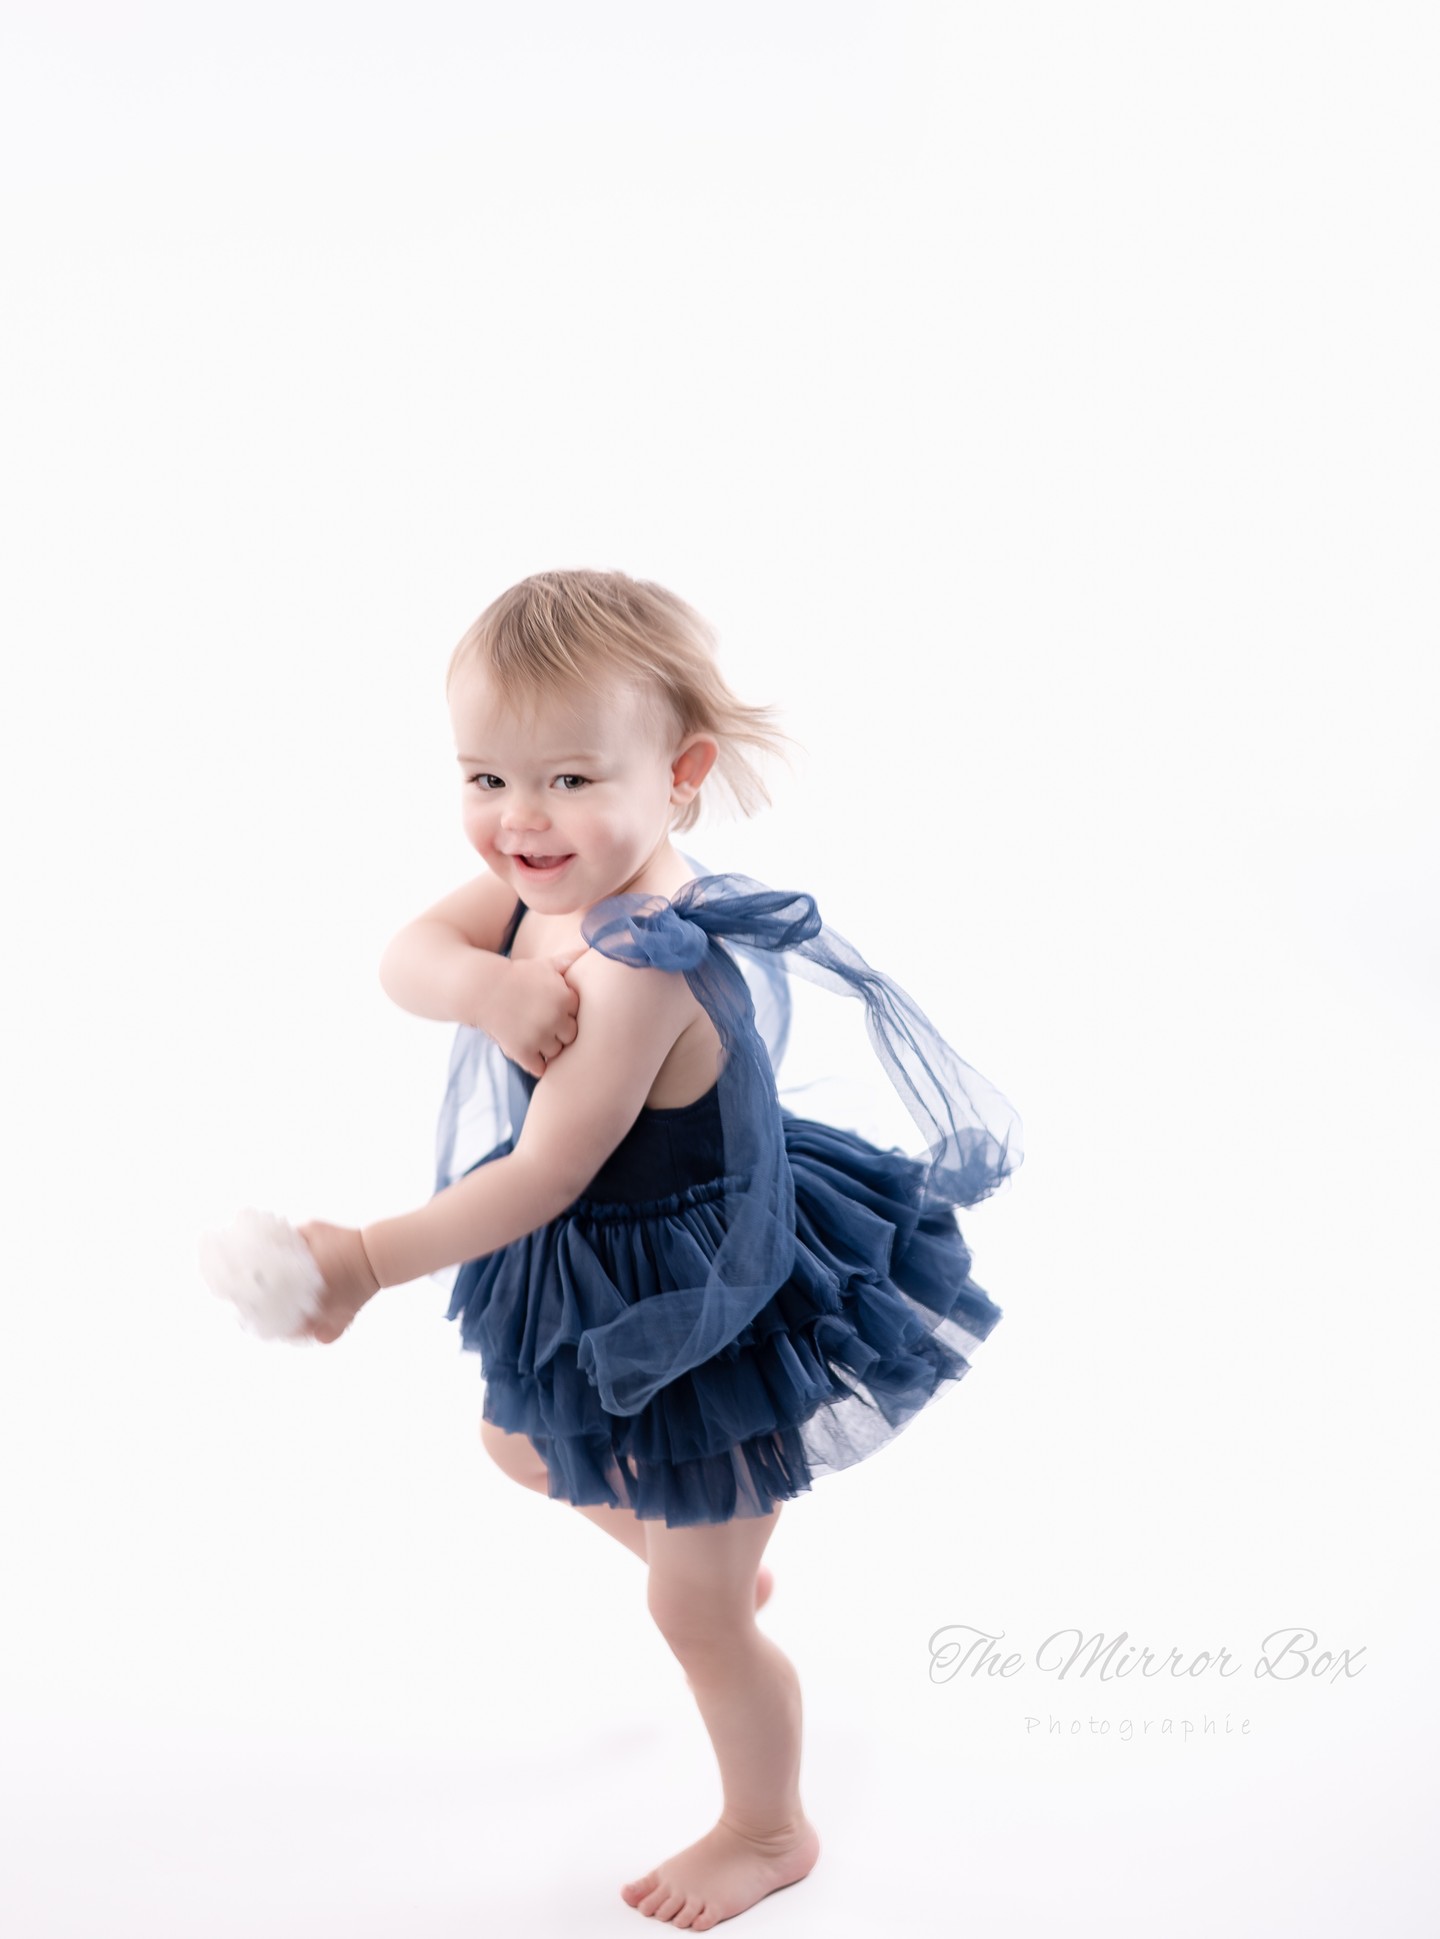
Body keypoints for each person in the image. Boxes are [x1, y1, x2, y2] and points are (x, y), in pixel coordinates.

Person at [295, 567, 1024, 1930]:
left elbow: (546, 1171)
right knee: (517, 1443)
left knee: (691, 1619)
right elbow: (404, 953)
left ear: (680, 774)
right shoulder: (533, 891)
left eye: (571, 778)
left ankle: (767, 1825)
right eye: (485, 778)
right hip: (610, 1261)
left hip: (710, 1293)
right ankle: (709, 1550)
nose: (520, 820)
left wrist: (368, 1262)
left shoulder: (638, 963)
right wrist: (481, 980)